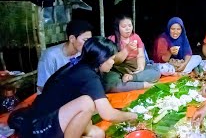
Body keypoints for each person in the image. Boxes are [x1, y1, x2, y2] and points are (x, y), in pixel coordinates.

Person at [8, 36, 138, 138]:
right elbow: (108, 114)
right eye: (111, 59)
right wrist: (132, 116)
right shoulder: (88, 76)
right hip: (38, 127)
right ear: (101, 59)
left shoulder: (79, 65)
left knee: (97, 134)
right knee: (87, 103)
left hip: (47, 118)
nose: (112, 62)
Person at [101, 15, 161, 93]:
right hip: (117, 69)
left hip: (134, 67)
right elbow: (115, 61)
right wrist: (127, 49)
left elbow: (141, 55)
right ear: (117, 27)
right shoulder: (112, 39)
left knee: (156, 72)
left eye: (130, 25)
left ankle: (131, 79)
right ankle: (143, 84)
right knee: (110, 83)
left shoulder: (136, 37)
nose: (128, 28)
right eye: (124, 26)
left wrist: (140, 67)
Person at [36, 20, 93, 94]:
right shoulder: (50, 56)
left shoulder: (83, 53)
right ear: (72, 38)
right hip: (51, 98)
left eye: (90, 40)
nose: (88, 44)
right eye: (85, 40)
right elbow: (42, 86)